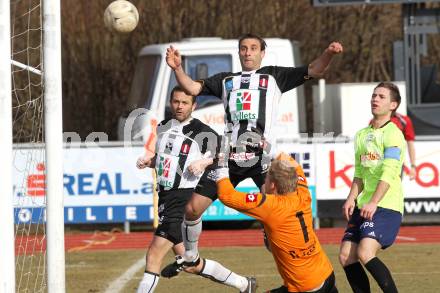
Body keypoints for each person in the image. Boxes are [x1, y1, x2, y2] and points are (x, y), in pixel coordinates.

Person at [162, 33, 343, 274]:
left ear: (262, 53)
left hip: (263, 160)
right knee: (192, 209)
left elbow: (314, 69)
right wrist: (177, 68)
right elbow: (193, 87)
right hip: (229, 158)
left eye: (253, 48)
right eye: (244, 48)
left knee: (278, 224)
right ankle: (191, 255)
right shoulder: (226, 80)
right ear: (239, 53)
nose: (248, 52)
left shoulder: (274, 76)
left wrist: (329, 53)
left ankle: (301, 265)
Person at [136, 86, 256, 293]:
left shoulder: (202, 131)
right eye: (176, 101)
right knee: (193, 265)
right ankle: (245, 284)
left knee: (154, 255)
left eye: (184, 103)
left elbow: (227, 152)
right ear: (170, 102)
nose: (179, 106)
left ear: (194, 105)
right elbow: (166, 158)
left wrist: (204, 162)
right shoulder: (163, 126)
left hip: (182, 199)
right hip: (165, 196)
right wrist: (151, 161)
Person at [213, 152, 338, 293]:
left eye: (265, 178)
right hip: (326, 273)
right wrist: (268, 152)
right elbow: (293, 163)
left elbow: (227, 195)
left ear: (272, 185)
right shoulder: (303, 193)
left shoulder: (271, 206)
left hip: (305, 287)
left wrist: (221, 165)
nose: (263, 181)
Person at [339, 82, 406, 293]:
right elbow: (359, 172)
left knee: (365, 252)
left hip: (386, 205)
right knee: (345, 256)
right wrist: (351, 198)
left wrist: (374, 201)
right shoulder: (361, 135)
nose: (375, 99)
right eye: (374, 95)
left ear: (393, 105)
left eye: (382, 97)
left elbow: (390, 171)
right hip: (364, 204)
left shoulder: (393, 134)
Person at [390, 112, 416, 180]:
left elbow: (410, 144)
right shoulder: (374, 121)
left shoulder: (403, 120)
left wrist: (413, 166)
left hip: (396, 165)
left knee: (394, 189)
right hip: (377, 164)